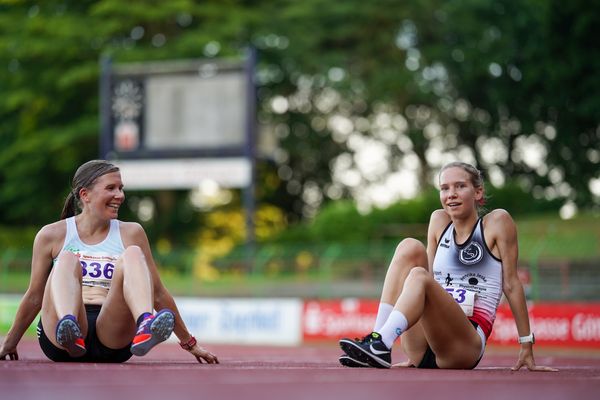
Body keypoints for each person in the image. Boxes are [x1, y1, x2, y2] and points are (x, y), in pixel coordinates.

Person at [339, 161, 556, 371]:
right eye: (444, 188)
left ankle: (380, 344)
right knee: (409, 247)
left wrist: (526, 344)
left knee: (418, 276)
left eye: (460, 186)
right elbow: (427, 281)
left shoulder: (497, 223)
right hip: (423, 345)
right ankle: (377, 341)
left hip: (463, 346)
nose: (451, 193)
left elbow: (511, 285)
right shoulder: (438, 221)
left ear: (478, 193)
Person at [0, 160, 219, 364]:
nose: (120, 195)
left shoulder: (132, 232)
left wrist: (189, 343)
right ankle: (69, 326)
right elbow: (35, 295)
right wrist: (9, 342)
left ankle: (145, 323)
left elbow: (158, 293)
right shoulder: (51, 235)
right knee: (66, 258)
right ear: (85, 195)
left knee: (133, 253)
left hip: (112, 333)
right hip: (61, 337)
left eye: (121, 188)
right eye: (111, 188)